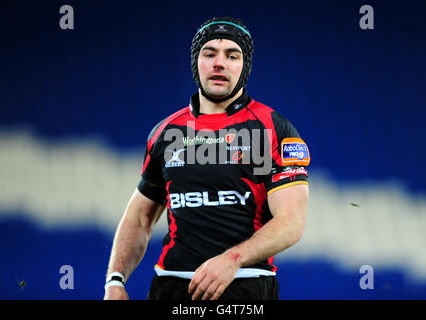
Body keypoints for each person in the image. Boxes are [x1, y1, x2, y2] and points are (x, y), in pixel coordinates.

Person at [103, 17, 310, 300]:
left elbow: (291, 222)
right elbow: (140, 218)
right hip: (171, 287)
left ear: (244, 66)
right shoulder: (166, 132)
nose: (219, 63)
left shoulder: (273, 128)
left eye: (232, 55)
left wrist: (232, 260)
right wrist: (115, 280)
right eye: (209, 53)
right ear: (196, 63)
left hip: (245, 286)